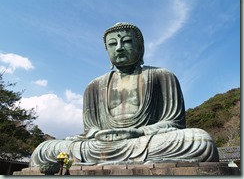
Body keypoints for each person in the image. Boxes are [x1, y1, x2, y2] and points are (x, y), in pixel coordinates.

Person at [30, 22, 219, 166]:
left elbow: (175, 123)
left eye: (126, 41)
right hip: (101, 145)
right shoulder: (94, 86)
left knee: (199, 141)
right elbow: (90, 129)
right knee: (43, 150)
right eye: (112, 44)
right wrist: (102, 135)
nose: (119, 47)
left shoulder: (162, 76)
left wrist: (138, 131)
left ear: (140, 46)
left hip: (145, 140)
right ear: (106, 50)